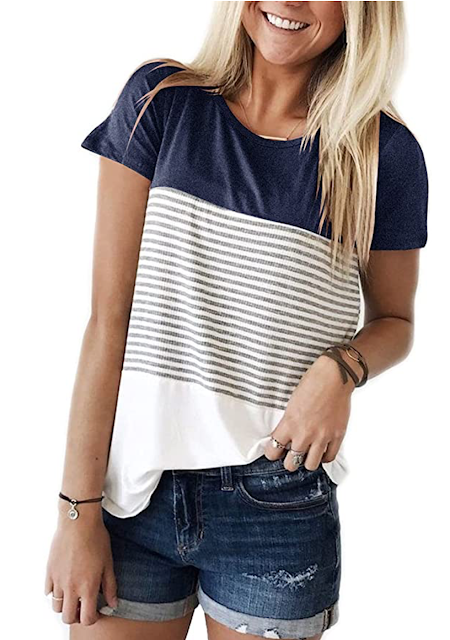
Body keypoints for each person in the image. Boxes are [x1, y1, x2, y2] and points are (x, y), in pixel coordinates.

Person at [44, 2, 429, 639]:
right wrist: (75, 511)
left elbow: (396, 320)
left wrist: (340, 370)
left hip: (278, 501)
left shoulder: (381, 152)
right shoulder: (160, 103)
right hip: (128, 493)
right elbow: (107, 324)